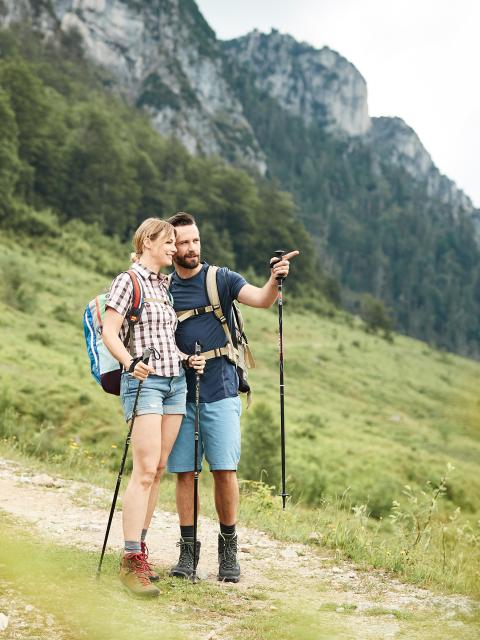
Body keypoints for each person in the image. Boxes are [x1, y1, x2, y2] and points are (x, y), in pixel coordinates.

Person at [166, 211, 298, 582]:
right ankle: (188, 554)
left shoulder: (221, 278)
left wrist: (274, 279)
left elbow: (260, 299)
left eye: (195, 240)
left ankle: (228, 552)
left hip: (221, 388)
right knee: (185, 473)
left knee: (224, 470)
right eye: (183, 242)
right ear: (170, 246)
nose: (191, 248)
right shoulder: (164, 287)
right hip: (180, 391)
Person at [102, 217, 204, 597]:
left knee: (159, 469)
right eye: (169, 243)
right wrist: (130, 362)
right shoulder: (128, 281)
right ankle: (130, 563)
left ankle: (140, 552)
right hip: (143, 383)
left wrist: (184, 359)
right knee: (144, 471)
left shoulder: (163, 286)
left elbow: (161, 338)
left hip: (174, 384)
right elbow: (110, 332)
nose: (175, 249)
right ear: (148, 241)